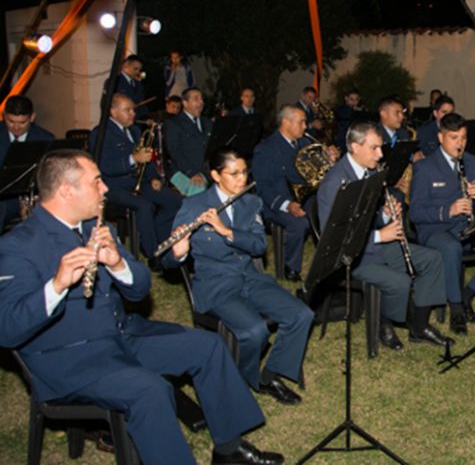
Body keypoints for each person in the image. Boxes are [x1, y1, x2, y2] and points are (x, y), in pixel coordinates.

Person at [0, 148, 283, 464]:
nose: (106, 189)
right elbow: (7, 329)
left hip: (120, 336)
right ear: (66, 191)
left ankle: (229, 448)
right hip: (70, 358)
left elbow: (140, 290)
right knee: (151, 390)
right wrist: (56, 286)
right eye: (96, 182)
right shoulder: (17, 246)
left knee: (208, 346)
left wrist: (119, 263)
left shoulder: (95, 226)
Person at [166, 147, 314, 405]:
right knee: (255, 331)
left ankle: (269, 376)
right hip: (217, 285)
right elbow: (167, 260)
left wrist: (227, 232)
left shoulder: (251, 202)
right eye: (233, 173)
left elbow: (258, 246)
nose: (241, 179)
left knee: (302, 314)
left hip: (250, 278)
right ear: (215, 175)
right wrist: (178, 252)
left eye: (244, 172)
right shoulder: (194, 205)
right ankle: (244, 379)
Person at [317, 121, 451, 350]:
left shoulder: (370, 173)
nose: (380, 154)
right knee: (400, 282)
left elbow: (371, 217)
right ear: (354, 146)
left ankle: (419, 326)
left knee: (433, 259)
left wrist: (386, 215)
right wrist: (380, 235)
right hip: (350, 256)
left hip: (373, 246)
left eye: (380, 147)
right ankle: (383, 321)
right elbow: (337, 238)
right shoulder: (335, 183)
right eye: (374, 148)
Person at [410, 113, 475, 334]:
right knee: (451, 248)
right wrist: (447, 210)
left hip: (468, 227)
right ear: (440, 137)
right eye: (454, 137)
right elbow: (416, 212)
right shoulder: (425, 167)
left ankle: (468, 295)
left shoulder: (474, 163)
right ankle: (456, 308)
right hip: (435, 229)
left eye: (464, 138)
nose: (460, 143)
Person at [88, 94, 182, 267]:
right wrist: (132, 159)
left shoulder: (135, 131)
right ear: (113, 112)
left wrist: (153, 177)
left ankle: (162, 242)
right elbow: (103, 166)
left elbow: (147, 158)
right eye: (127, 110)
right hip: (114, 186)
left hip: (139, 182)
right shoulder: (100, 132)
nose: (133, 114)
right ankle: (154, 255)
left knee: (175, 201)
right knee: (144, 206)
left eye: (133, 110)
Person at [252, 105, 317, 282]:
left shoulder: (305, 143)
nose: (306, 126)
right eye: (301, 122)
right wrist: (286, 204)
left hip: (303, 197)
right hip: (275, 202)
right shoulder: (266, 148)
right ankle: (291, 267)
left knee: (328, 210)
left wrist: (328, 158)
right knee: (299, 223)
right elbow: (263, 186)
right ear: (286, 122)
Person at [0, 95, 55, 227]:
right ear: (3, 116)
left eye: (22, 122)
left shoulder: (45, 138)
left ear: (32, 117)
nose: (16, 127)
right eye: (11, 121)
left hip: (34, 197)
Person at [165, 87, 212, 196]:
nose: (201, 102)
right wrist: (191, 173)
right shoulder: (174, 123)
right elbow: (174, 152)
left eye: (201, 99)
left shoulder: (207, 123)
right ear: (185, 103)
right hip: (183, 170)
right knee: (197, 189)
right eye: (196, 99)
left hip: (205, 170)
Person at [101, 54, 148, 120]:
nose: (137, 72)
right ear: (126, 66)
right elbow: (106, 104)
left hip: (136, 122)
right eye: (135, 69)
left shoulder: (138, 84)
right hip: (120, 120)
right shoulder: (114, 82)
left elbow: (141, 103)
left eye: (139, 70)